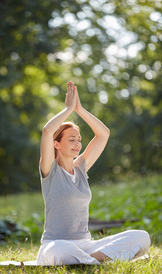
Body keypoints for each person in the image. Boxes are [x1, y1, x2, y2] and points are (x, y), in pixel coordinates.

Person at [36, 81, 151, 266]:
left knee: (142, 237)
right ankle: (102, 259)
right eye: (71, 139)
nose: (77, 144)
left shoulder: (81, 167)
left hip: (86, 245)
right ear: (56, 144)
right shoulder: (50, 170)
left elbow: (103, 134)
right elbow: (48, 131)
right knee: (59, 251)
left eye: (79, 140)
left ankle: (88, 261)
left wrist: (79, 109)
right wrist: (68, 109)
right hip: (56, 244)